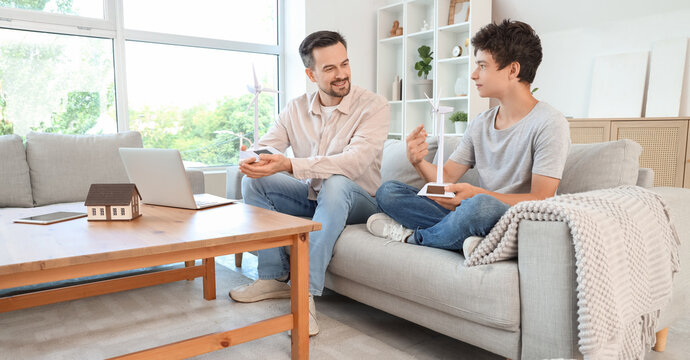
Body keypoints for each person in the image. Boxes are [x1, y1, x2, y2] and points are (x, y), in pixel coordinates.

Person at [229, 30, 390, 336]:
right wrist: (253, 158)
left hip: (360, 200)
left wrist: (291, 164)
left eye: (344, 64)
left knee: (336, 183)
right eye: (330, 69)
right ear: (310, 73)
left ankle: (305, 295)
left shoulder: (374, 106)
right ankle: (274, 278)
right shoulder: (296, 108)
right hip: (315, 195)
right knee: (255, 184)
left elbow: (353, 162)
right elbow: (270, 145)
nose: (341, 75)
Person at [368, 20, 570, 250]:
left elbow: (541, 199)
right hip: (472, 212)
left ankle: (414, 237)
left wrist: (477, 196)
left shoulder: (550, 123)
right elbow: (445, 177)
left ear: (513, 70)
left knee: (481, 206)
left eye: (482, 66)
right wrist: (418, 162)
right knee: (389, 192)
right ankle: (463, 235)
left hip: (513, 219)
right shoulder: (480, 123)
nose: (474, 75)